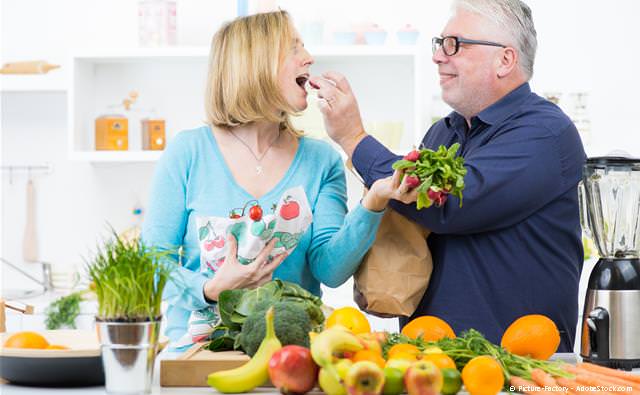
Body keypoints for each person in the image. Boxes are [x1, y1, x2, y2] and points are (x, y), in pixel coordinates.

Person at [310, 0, 586, 351]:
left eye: (455, 44)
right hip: (430, 360)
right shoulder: (443, 133)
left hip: (514, 366)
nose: (439, 56)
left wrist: (353, 138)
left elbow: (450, 204)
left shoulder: (544, 132)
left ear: (505, 60)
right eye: (439, 44)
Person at [141, 11, 399, 348]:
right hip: (196, 355)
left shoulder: (321, 160)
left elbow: (330, 269)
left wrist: (373, 203)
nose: (309, 58)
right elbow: (151, 263)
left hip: (291, 354)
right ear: (254, 63)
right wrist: (210, 289)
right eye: (294, 48)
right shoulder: (188, 153)